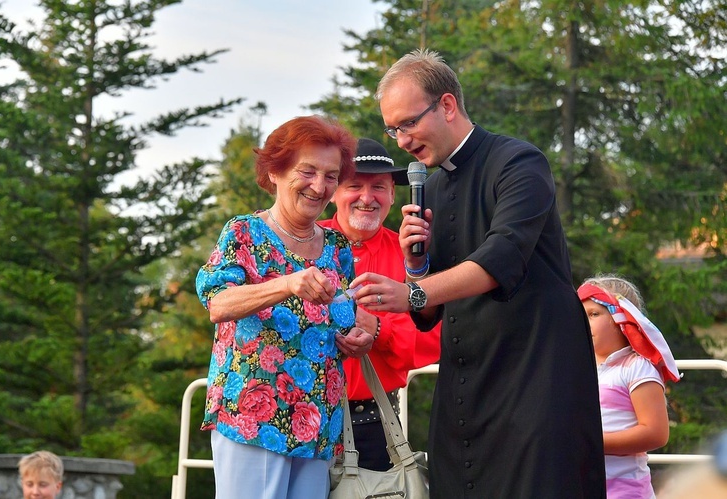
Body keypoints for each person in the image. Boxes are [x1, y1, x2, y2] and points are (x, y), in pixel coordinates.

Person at [349, 48, 606, 497]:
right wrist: (415, 265)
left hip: (536, 377)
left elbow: (502, 257)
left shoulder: (519, 163)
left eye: (408, 123)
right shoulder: (431, 184)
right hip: (467, 386)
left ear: (447, 105)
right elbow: (428, 312)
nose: (402, 141)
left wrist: (414, 292)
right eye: (393, 129)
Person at [195, 115, 375, 499]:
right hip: (254, 422)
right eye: (307, 171)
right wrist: (286, 284)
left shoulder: (338, 248)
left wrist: (359, 338)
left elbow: (342, 322)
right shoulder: (244, 233)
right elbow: (218, 303)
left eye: (330, 176)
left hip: (318, 427)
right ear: (274, 172)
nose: (319, 186)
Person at [318, 137, 441, 471]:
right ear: (333, 192)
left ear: (393, 195)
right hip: (304, 421)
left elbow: (437, 338)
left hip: (375, 425)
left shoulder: (414, 257)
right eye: (354, 185)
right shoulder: (302, 244)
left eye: (379, 187)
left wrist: (380, 329)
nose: (366, 198)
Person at [578, 275, 681, 498]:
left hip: (625, 492)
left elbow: (656, 433)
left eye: (594, 314)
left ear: (622, 318)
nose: (584, 322)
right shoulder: (577, 368)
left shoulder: (637, 367)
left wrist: (591, 442)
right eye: (581, 315)